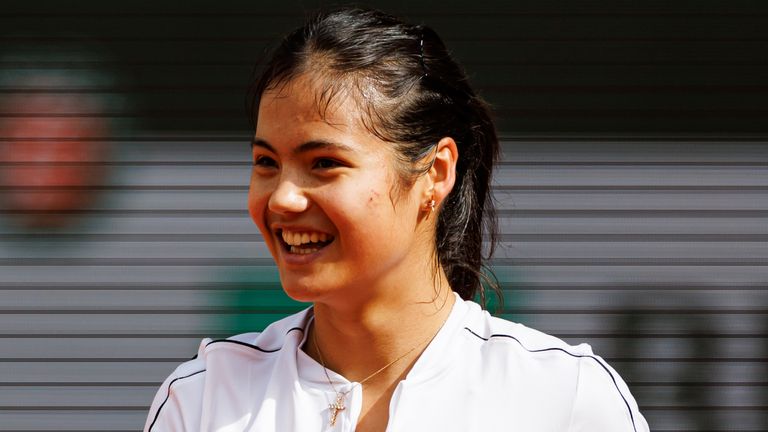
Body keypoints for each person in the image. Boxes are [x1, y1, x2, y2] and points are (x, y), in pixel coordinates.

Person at [144, 7, 649, 432]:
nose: (283, 199)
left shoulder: (564, 398)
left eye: (324, 163)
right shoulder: (203, 399)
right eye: (266, 163)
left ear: (436, 172)